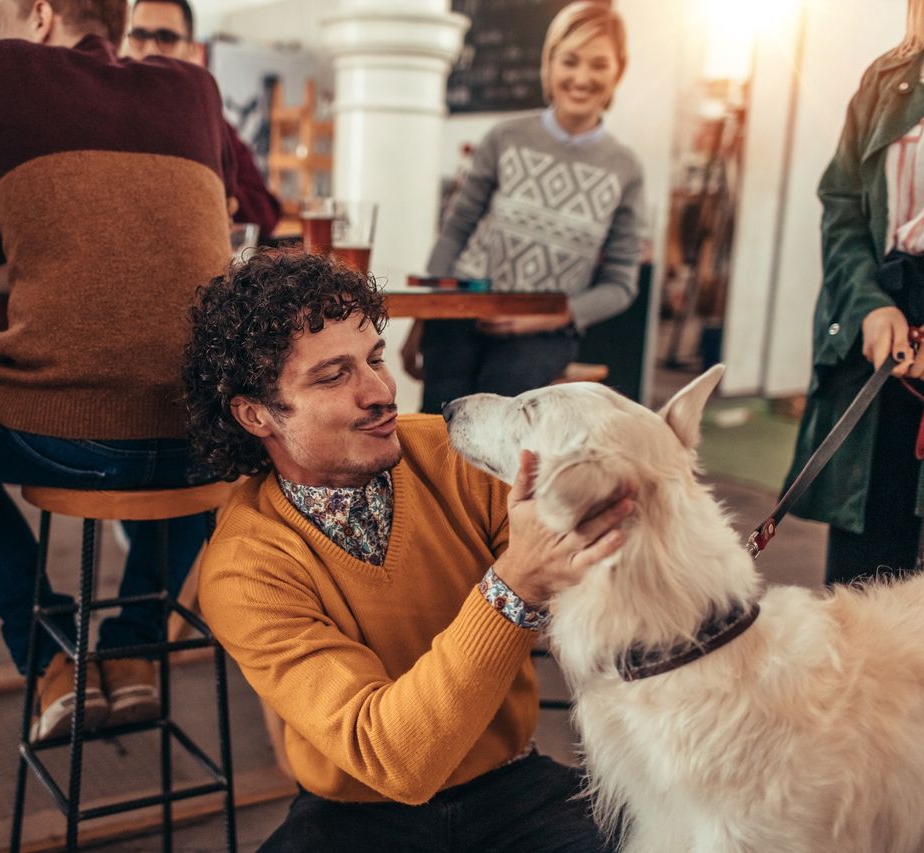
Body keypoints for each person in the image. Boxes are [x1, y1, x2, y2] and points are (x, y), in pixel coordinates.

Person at [184, 251, 633, 851]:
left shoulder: (451, 452)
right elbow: (392, 758)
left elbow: (606, 586)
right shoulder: (245, 568)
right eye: (333, 375)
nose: (380, 392)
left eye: (374, 358)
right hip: (356, 813)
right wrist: (515, 586)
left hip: (511, 784)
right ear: (255, 414)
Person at [0, 0, 234, 742]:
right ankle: (137, 644)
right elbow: (225, 212)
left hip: (68, 434)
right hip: (208, 438)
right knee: (195, 421)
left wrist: (3, 266)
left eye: (0, 18)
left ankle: (48, 651)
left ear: (40, 15)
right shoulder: (195, 87)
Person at [785, 0, 924, 585]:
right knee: (864, 584)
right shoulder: (890, 76)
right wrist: (867, 304)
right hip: (887, 330)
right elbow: (842, 204)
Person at [405, 1, 645, 414]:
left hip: (547, 329)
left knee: (499, 409)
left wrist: (552, 318)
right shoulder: (504, 138)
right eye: (569, 61)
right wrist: (423, 317)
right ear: (548, 65)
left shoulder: (626, 169)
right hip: (466, 307)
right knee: (438, 413)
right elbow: (457, 229)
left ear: (618, 73)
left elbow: (620, 284)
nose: (582, 77)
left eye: (598, 65)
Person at [124, 0, 282, 238]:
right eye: (140, 36)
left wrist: (204, 185)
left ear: (191, 50)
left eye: (166, 38)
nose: (150, 50)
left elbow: (265, 211)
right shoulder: (108, 113)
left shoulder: (211, 123)